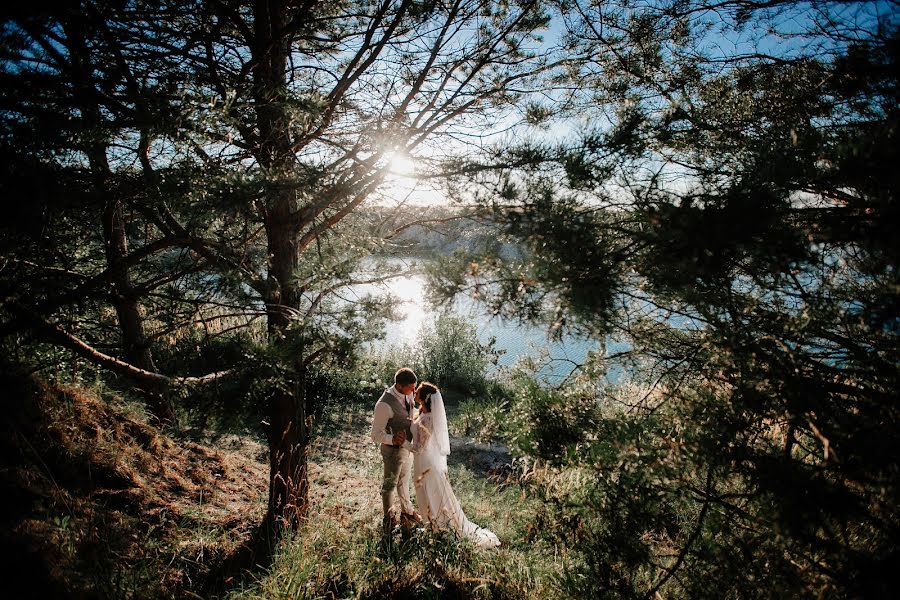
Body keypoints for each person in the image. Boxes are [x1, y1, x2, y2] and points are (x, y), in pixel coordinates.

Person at [406, 382, 501, 548]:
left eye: (418, 392)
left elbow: (420, 447)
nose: (414, 393)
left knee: (431, 494)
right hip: (424, 462)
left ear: (425, 398)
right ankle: (432, 525)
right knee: (426, 493)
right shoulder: (423, 413)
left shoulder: (428, 420)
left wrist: (403, 444)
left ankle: (437, 527)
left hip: (426, 463)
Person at [370, 367, 422, 533]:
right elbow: (375, 435)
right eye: (411, 388)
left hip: (407, 448)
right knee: (389, 485)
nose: (414, 391)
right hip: (392, 452)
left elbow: (410, 411)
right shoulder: (384, 405)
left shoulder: (407, 393)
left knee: (403, 482)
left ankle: (407, 513)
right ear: (399, 386)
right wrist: (391, 439)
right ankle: (389, 519)